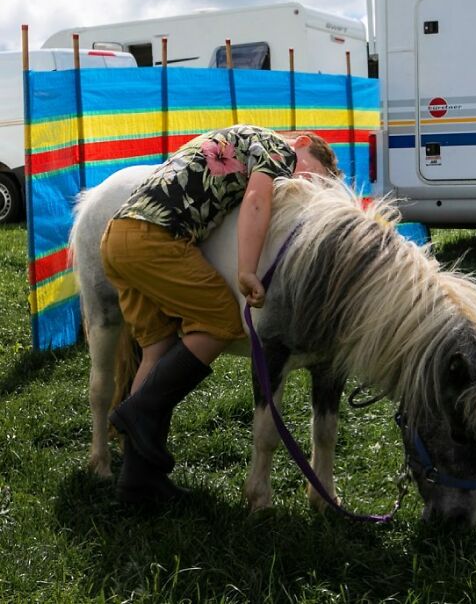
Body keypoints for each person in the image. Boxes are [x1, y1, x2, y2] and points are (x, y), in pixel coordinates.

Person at [100, 124, 340, 503]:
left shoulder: (236, 139)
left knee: (156, 347)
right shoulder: (278, 149)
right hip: (156, 238)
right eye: (313, 177)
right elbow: (257, 202)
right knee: (221, 321)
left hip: (120, 235)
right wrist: (246, 271)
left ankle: (137, 479)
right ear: (304, 144)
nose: (307, 187)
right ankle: (138, 410)